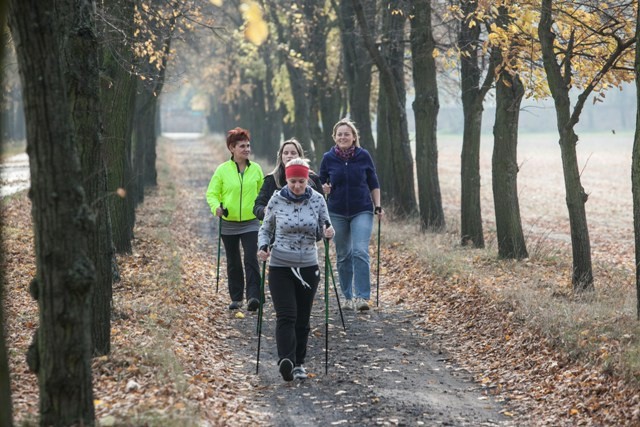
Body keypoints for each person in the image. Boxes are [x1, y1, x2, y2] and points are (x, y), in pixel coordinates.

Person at [257, 158, 334, 381]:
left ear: (307, 179)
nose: (297, 186)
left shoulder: (317, 200)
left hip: (309, 265)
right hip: (280, 264)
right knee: (286, 314)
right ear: (286, 180)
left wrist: (329, 232)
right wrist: (263, 247)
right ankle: (286, 360)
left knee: (302, 317)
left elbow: (326, 227)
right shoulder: (276, 199)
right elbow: (266, 229)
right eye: (292, 181)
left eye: (301, 181)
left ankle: (299, 362)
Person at [319, 118, 384, 312]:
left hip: (362, 210)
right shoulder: (328, 158)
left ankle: (362, 297)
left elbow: (373, 182)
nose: (343, 137)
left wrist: (378, 206)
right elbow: (319, 184)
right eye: (340, 134)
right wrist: (324, 188)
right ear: (334, 137)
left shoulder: (363, 156)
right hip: (336, 212)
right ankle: (347, 297)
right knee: (343, 255)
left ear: (354, 137)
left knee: (360, 251)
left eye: (347, 133)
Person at [206, 127, 264, 311]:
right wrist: (216, 207)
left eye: (248, 146)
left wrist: (263, 215)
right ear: (232, 148)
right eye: (242, 146)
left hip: (251, 221)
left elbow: (263, 194)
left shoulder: (256, 169)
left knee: (250, 258)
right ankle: (236, 297)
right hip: (229, 222)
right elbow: (212, 193)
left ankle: (254, 297)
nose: (246, 149)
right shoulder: (222, 170)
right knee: (233, 261)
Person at [253, 138, 323, 221]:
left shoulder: (313, 179)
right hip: (278, 229)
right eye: (285, 153)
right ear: (281, 156)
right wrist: (265, 211)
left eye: (293, 153)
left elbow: (322, 206)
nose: (289, 156)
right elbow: (257, 206)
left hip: (307, 229)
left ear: (300, 156)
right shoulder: (271, 179)